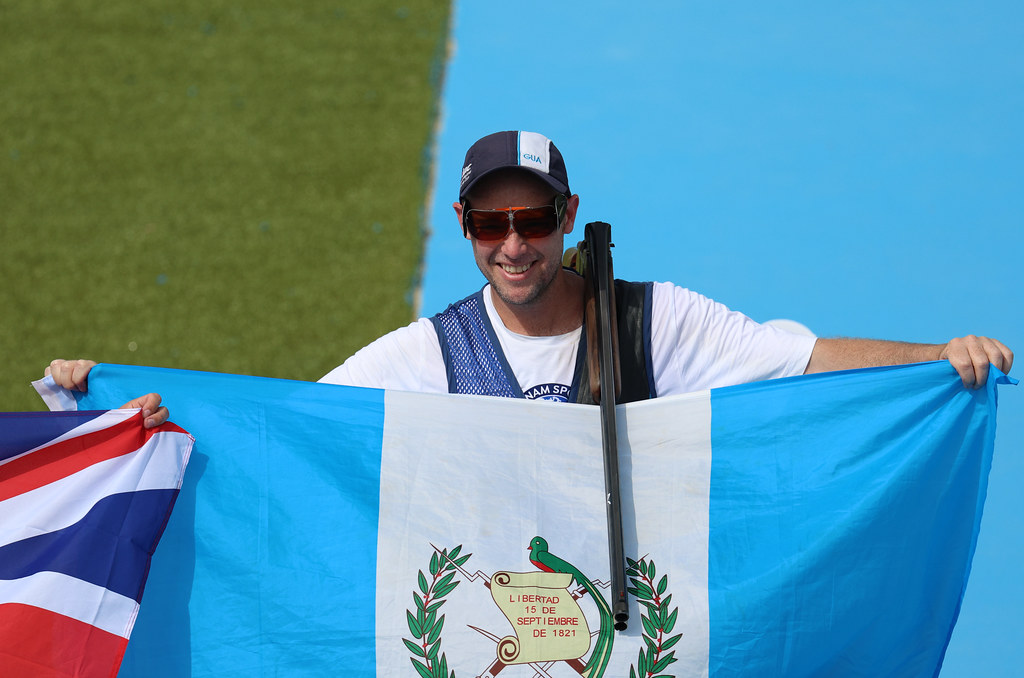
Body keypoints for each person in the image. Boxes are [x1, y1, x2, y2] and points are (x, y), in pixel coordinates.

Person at [45, 130, 1013, 426]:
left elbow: (800, 362)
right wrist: (109, 406)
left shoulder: (649, 322)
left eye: (535, 219)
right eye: (492, 224)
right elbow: (283, 428)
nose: (515, 246)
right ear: (464, 227)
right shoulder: (427, 355)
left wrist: (936, 359)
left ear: (567, 216)